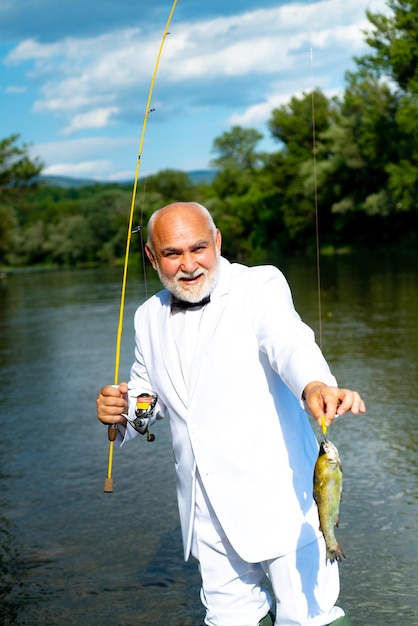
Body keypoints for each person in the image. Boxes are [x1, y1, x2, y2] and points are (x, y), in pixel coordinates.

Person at [96, 201, 366, 626]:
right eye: (172, 253)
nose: (189, 264)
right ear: (151, 256)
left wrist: (315, 383)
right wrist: (123, 412)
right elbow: (150, 399)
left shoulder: (259, 285)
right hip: (205, 513)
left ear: (218, 241)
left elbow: (289, 342)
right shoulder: (147, 316)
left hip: (280, 503)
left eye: (199, 248)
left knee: (311, 618)